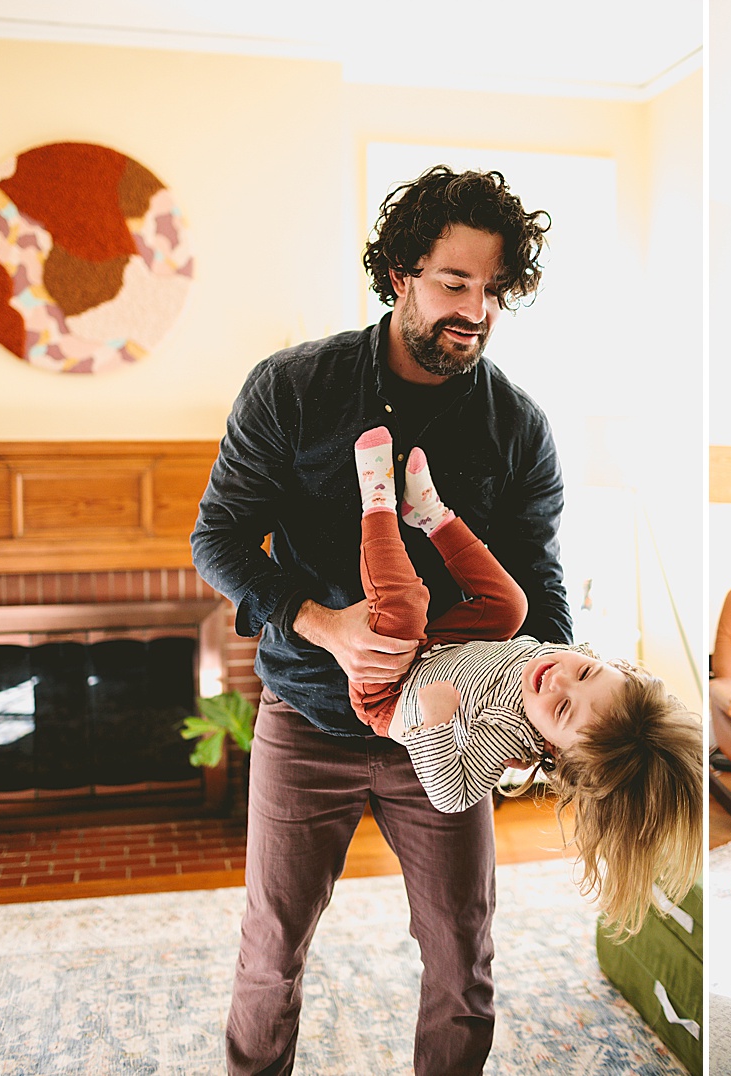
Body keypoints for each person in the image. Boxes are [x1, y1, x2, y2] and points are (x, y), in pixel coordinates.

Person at [192, 166, 572, 1075]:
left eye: (490, 291)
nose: (473, 310)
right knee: (271, 952)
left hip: (448, 737)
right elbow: (218, 541)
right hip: (307, 717)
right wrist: (325, 623)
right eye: (452, 283)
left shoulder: (517, 428)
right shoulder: (291, 389)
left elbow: (540, 587)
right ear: (401, 272)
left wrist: (546, 709)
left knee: (463, 959)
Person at [349, 426, 702, 935]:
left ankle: (376, 500)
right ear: (612, 666)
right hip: (448, 647)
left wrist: (439, 721)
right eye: (584, 672)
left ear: (555, 751)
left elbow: (452, 794)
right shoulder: (577, 669)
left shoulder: (505, 736)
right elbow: (572, 661)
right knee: (514, 606)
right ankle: (429, 514)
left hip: (391, 686)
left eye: (562, 710)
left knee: (404, 608)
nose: (558, 679)